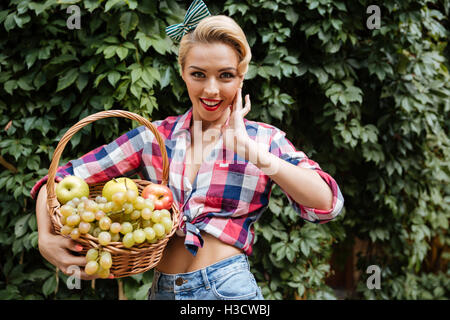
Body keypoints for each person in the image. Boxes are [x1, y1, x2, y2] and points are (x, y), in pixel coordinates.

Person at [32, 0, 344, 300]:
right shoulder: (153, 137)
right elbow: (58, 179)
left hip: (228, 288)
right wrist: (45, 238)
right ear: (183, 73)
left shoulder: (264, 140)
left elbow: (327, 202)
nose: (211, 89)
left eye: (225, 75)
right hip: (162, 290)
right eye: (198, 74)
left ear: (241, 76)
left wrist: (251, 152)